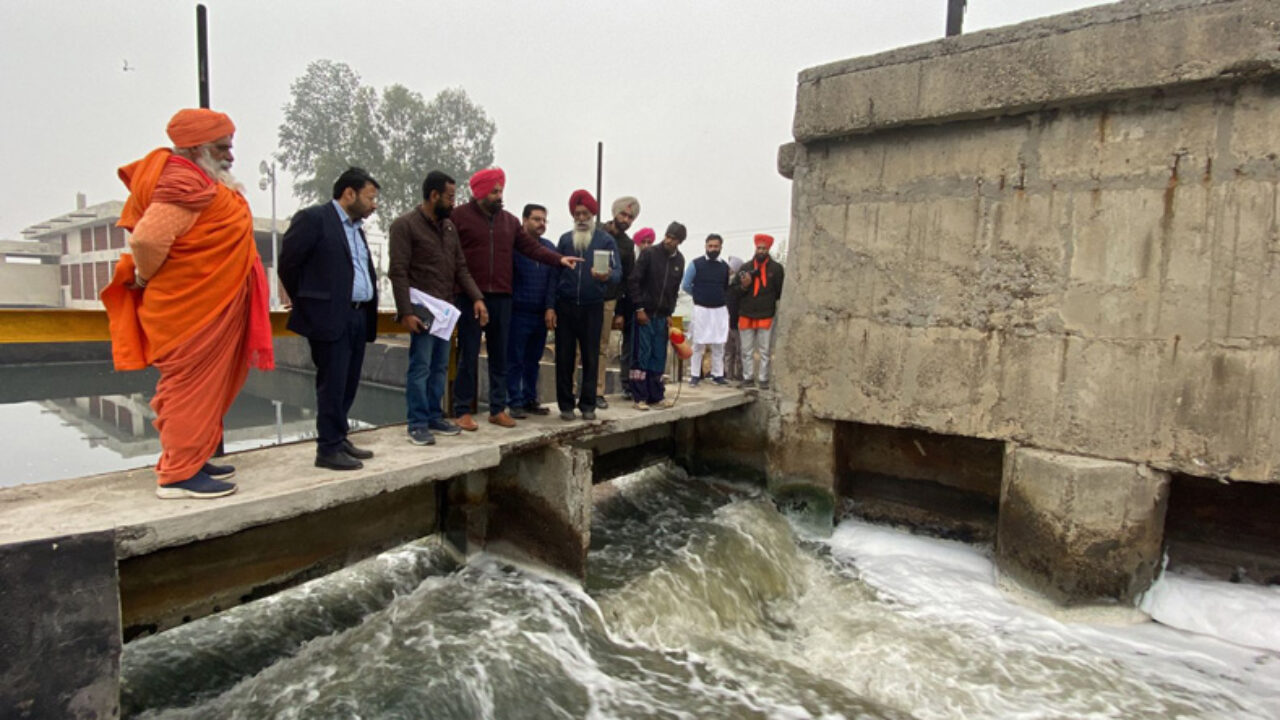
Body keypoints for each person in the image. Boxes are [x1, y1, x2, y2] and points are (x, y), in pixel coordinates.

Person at [102, 108, 274, 499]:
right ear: (196, 148)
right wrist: (143, 277)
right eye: (222, 147)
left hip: (208, 305)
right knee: (189, 391)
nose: (230, 155)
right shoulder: (182, 182)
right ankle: (177, 475)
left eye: (230, 147)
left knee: (208, 390)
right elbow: (147, 240)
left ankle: (192, 458)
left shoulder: (201, 180)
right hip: (190, 309)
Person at [450, 168, 579, 430]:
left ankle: (497, 408)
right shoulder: (459, 217)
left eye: (501, 190)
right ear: (481, 192)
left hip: (502, 298)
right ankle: (462, 410)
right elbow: (451, 255)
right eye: (495, 191)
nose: (500, 196)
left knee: (500, 355)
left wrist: (558, 259)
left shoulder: (508, 222)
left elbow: (532, 248)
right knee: (469, 353)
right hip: (469, 296)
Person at [279, 167, 381, 470]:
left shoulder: (355, 228)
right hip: (330, 316)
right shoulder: (314, 219)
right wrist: (310, 301)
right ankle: (327, 449)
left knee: (349, 382)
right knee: (332, 383)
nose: (374, 205)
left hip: (358, 316)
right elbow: (289, 264)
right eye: (370, 197)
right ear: (349, 194)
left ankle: (339, 437)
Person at [388, 171, 486, 446]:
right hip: (420, 310)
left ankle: (434, 415)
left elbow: (461, 268)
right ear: (434, 196)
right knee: (420, 366)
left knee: (440, 366)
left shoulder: (449, 228)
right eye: (450, 197)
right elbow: (398, 272)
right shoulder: (404, 226)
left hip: (444, 311)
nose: (454, 203)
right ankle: (417, 423)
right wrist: (406, 312)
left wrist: (477, 297)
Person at [553, 190, 620, 420]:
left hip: (593, 306)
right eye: (577, 214)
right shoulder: (564, 240)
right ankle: (565, 405)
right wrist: (551, 306)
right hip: (566, 304)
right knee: (564, 356)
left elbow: (618, 273)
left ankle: (589, 404)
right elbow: (555, 272)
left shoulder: (606, 240)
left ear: (592, 215)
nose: (581, 218)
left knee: (591, 356)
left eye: (585, 214)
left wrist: (607, 276)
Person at [626, 222, 687, 409]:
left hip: (662, 316)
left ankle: (656, 395)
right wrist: (639, 308)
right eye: (667, 236)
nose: (668, 240)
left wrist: (670, 312)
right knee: (641, 355)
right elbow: (633, 281)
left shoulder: (680, 261)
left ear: (680, 241)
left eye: (673, 238)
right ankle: (639, 397)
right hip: (645, 314)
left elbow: (674, 290)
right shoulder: (649, 254)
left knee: (659, 356)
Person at [506, 203, 556, 419]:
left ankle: (530, 399)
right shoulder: (514, 248)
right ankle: (514, 401)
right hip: (518, 312)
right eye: (536, 219)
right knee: (514, 359)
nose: (541, 224)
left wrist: (550, 307)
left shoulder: (549, 248)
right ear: (524, 220)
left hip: (540, 314)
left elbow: (553, 281)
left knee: (533, 360)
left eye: (544, 220)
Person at [596, 196, 639, 408]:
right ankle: (572, 393)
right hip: (585, 298)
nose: (626, 219)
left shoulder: (628, 245)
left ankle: (597, 391)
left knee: (601, 347)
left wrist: (621, 311)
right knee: (577, 348)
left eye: (630, 217)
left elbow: (626, 280)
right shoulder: (596, 231)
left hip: (609, 300)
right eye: (623, 214)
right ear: (615, 213)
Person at [730, 233, 785, 389]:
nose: (761, 251)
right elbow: (734, 291)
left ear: (768, 249)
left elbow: (780, 292)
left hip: (766, 314)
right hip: (746, 313)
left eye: (764, 248)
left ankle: (763, 379)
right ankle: (748, 378)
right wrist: (745, 285)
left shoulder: (776, 268)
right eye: (759, 248)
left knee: (765, 350)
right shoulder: (745, 268)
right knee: (746, 350)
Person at [681, 233, 731, 387]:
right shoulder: (696, 264)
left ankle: (718, 374)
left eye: (716, 246)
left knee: (719, 344)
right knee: (698, 343)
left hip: (719, 310)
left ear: (721, 247)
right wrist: (700, 295)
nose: (713, 249)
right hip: (701, 309)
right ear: (705, 246)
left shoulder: (724, 266)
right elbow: (686, 285)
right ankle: (695, 375)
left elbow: (725, 286)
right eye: (710, 246)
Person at [724, 256, 745, 381]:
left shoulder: (739, 287)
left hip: (738, 323)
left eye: (732, 269)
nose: (729, 272)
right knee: (728, 352)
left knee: (740, 352)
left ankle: (740, 374)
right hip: (726, 324)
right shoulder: (724, 286)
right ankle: (728, 374)